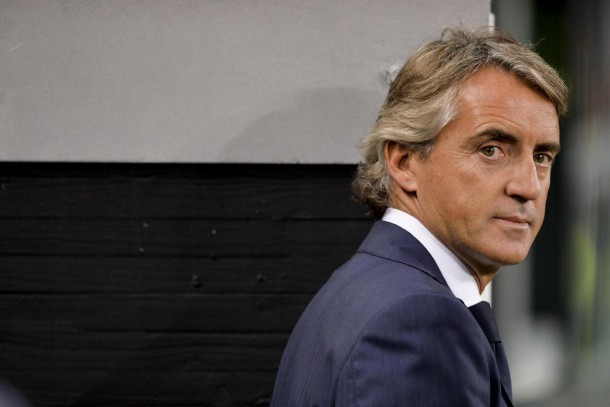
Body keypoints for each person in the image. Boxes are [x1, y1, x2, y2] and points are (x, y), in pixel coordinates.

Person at [270, 27, 568, 406]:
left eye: (542, 157)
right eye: (491, 149)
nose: (528, 186)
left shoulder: (370, 287)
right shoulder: (420, 320)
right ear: (404, 162)